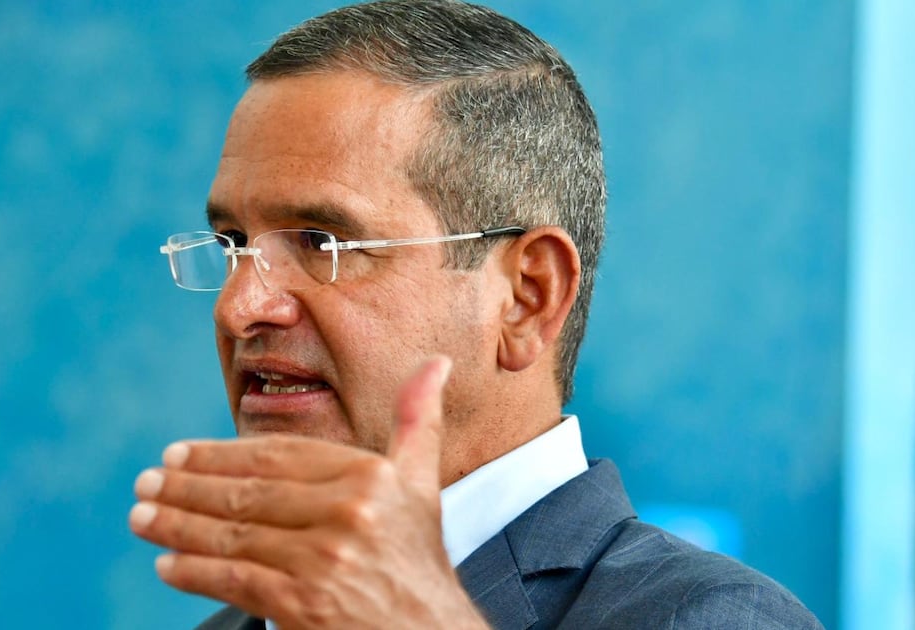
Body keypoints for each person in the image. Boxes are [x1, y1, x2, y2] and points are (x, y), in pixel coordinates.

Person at [129, 1, 823, 627]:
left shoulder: (714, 618)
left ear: (527, 296)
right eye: (233, 243)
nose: (240, 307)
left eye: (321, 242)